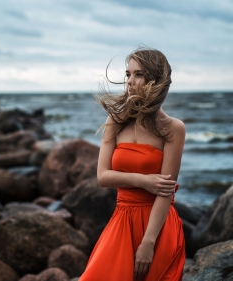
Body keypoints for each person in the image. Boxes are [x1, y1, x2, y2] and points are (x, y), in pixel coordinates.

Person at [79, 48, 186, 281]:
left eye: (138, 74)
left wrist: (148, 243)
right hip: (122, 220)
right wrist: (143, 180)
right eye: (127, 75)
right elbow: (103, 176)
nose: (129, 82)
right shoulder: (115, 121)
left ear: (155, 80)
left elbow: (166, 192)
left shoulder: (173, 128)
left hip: (158, 227)